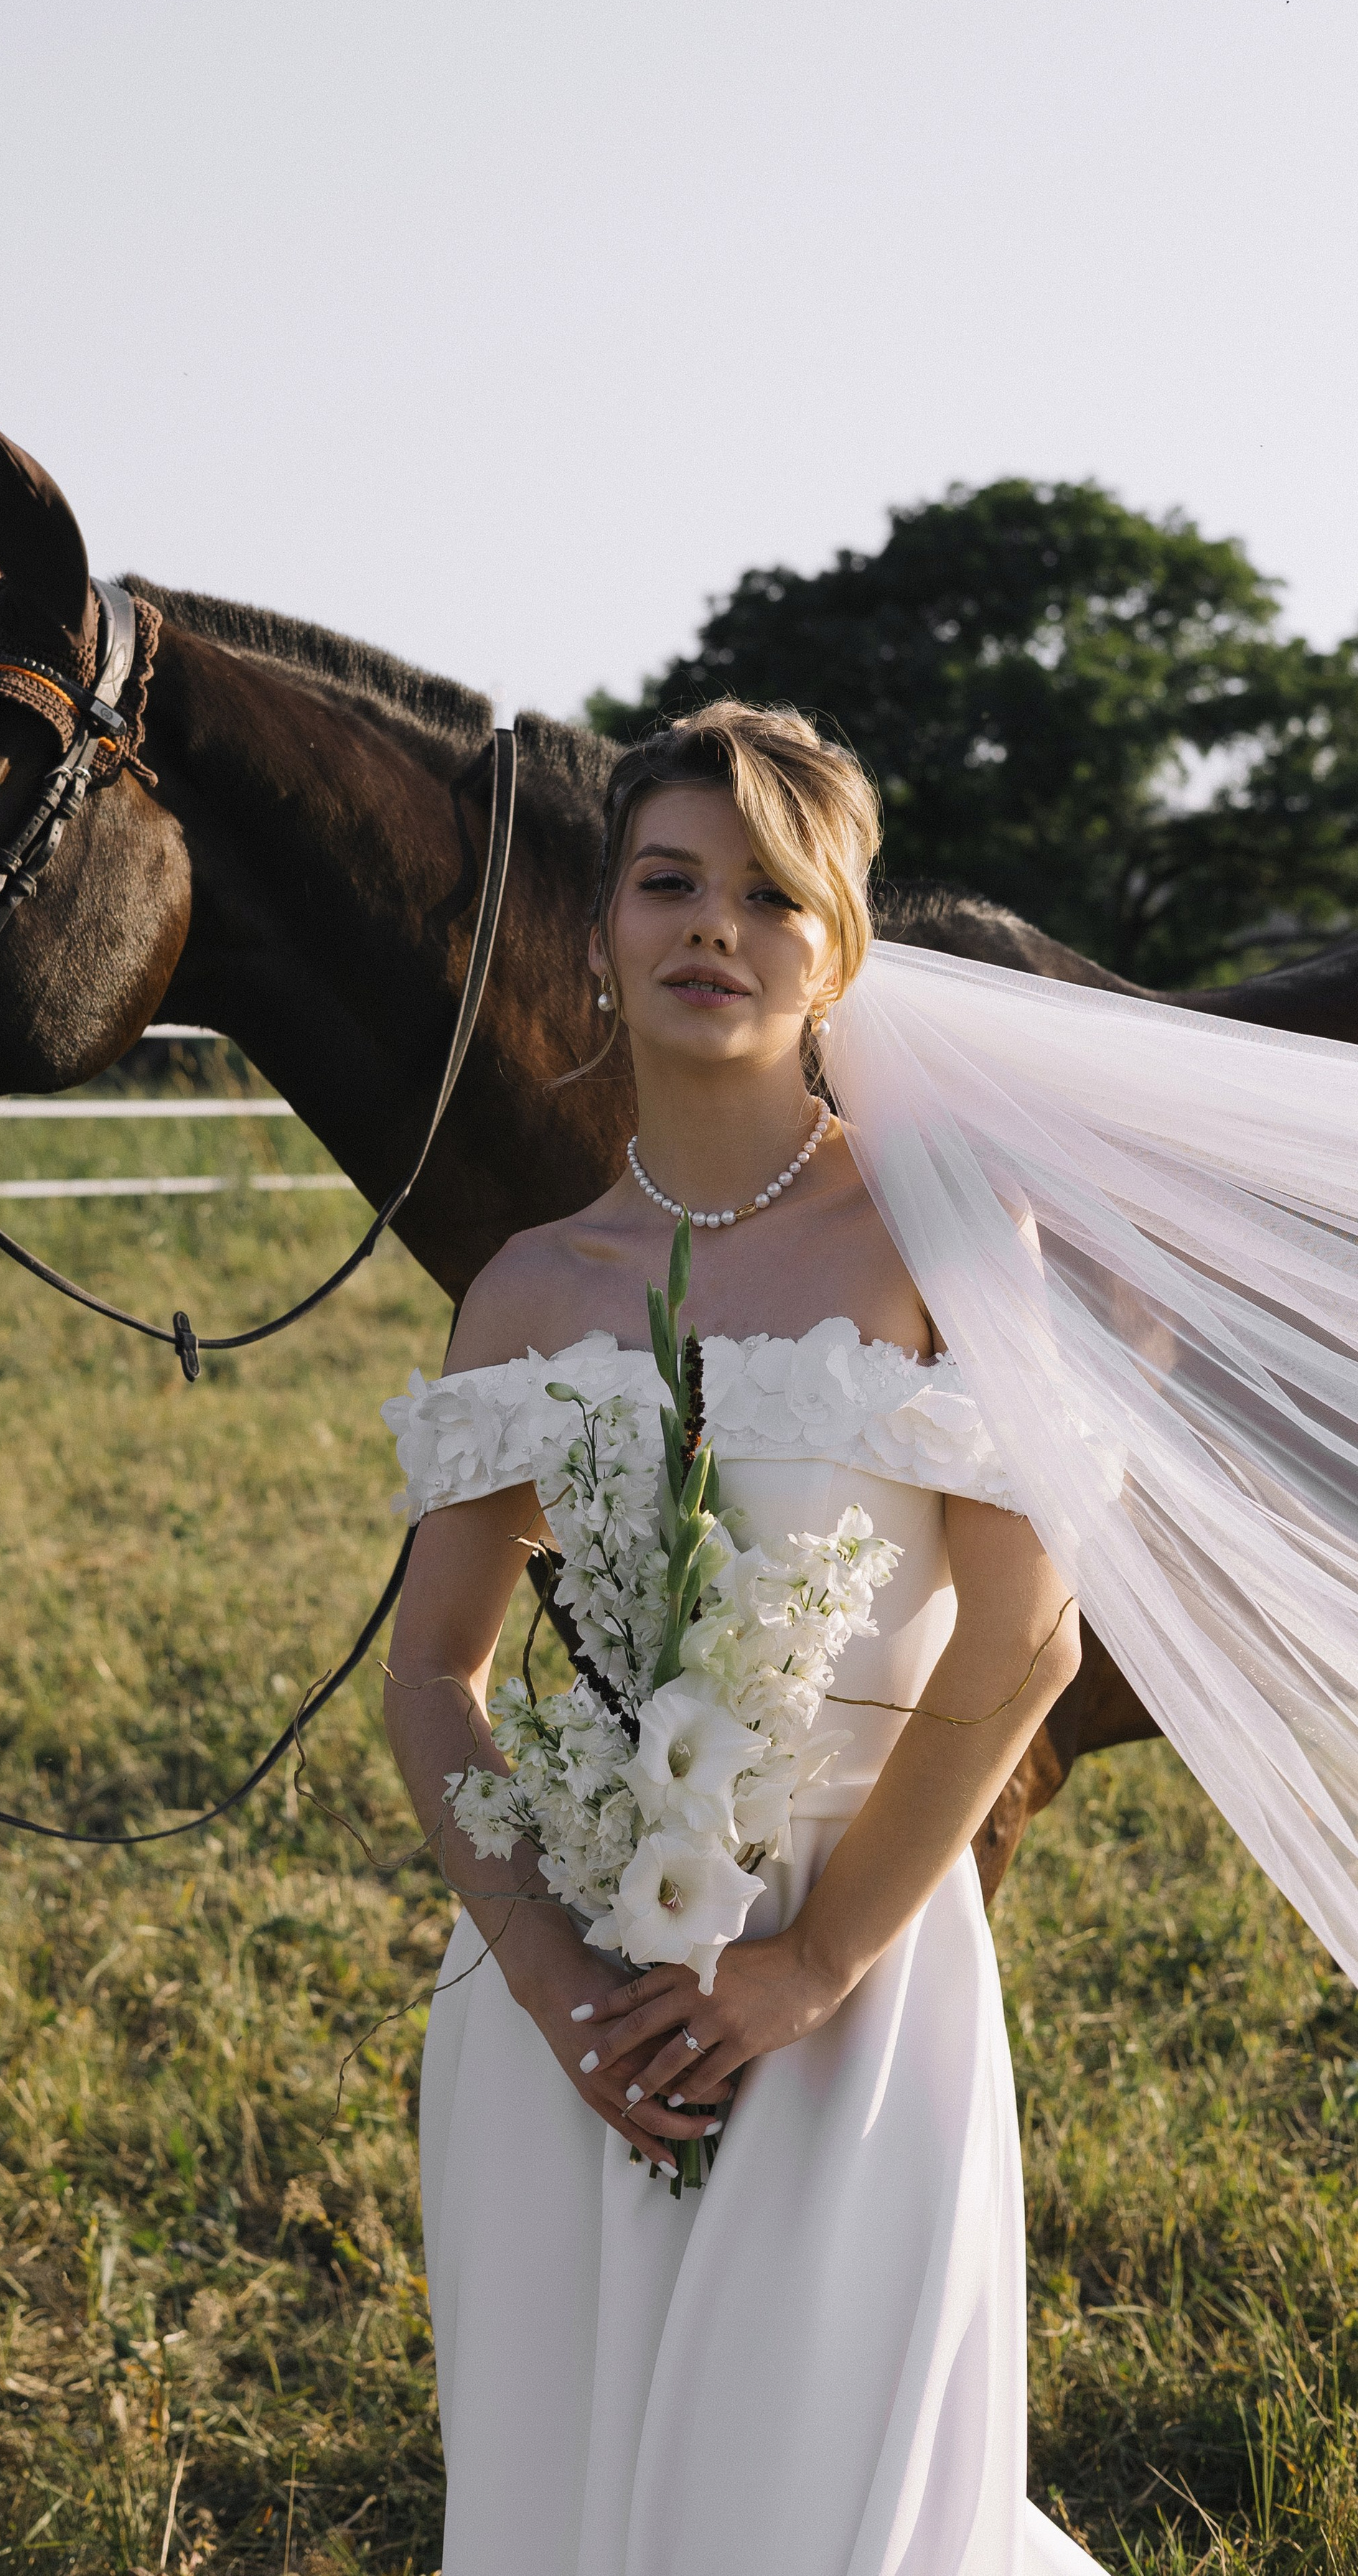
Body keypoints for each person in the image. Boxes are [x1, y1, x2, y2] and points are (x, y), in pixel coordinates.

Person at [381, 703, 1114, 2573]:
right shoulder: (535, 1285)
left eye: (773, 894)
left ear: (839, 947)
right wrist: (552, 1982)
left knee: (827, 2508)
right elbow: (438, 1677)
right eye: (669, 882)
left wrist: (809, 1972)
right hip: (571, 2007)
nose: (718, 927)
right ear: (601, 930)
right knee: (567, 2503)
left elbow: (1022, 1647)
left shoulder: (947, 1228)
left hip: (852, 1977)